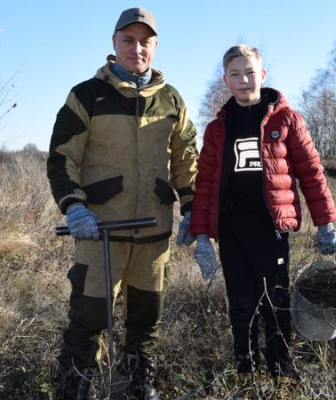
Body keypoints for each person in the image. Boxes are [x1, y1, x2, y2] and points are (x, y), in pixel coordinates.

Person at [46, 7, 198, 400]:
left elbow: (186, 159)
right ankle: (74, 389)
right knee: (89, 319)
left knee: (146, 320)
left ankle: (135, 387)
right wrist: (74, 206)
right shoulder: (87, 95)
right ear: (114, 43)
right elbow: (62, 157)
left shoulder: (171, 100)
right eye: (128, 40)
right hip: (100, 232)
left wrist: (193, 208)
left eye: (145, 41)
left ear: (155, 47)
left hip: (154, 234)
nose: (137, 48)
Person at [188, 44, 336, 399]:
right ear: (226, 80)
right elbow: (206, 183)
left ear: (263, 74)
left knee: (274, 301)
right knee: (240, 303)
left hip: (271, 229)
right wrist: (200, 235)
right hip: (231, 229)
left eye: (251, 72)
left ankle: (281, 372)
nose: (245, 80)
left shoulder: (286, 120)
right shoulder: (217, 129)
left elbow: (312, 174)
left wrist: (326, 223)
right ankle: (246, 370)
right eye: (236, 74)